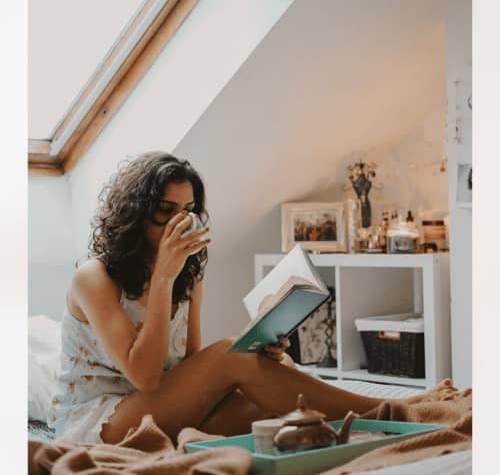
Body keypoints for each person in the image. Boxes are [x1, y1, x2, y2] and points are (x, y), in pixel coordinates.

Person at [48, 152, 381, 445]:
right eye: (166, 210)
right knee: (229, 354)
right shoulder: (94, 278)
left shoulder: (189, 276)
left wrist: (260, 352)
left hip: (160, 406)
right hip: (101, 419)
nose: (181, 222)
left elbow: (192, 368)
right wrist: (163, 278)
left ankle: (373, 418)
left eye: (189, 210)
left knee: (277, 386)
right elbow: (146, 378)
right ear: (135, 214)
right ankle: (383, 412)